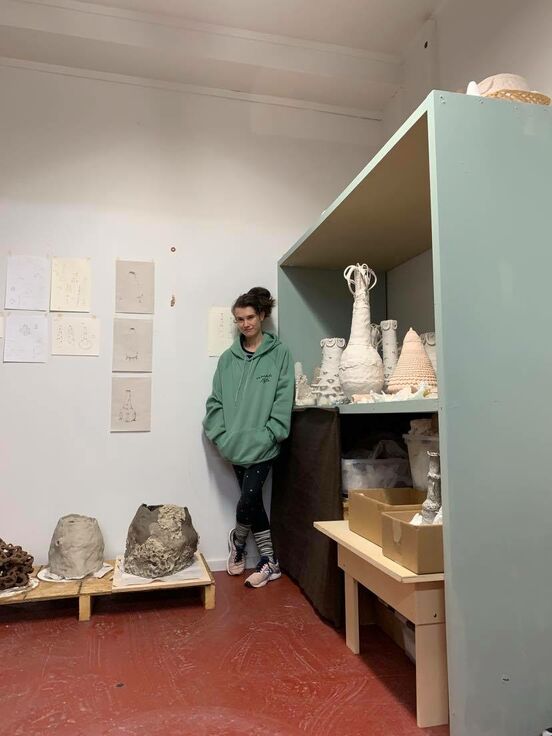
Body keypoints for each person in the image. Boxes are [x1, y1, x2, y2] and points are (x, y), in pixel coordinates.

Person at [203, 287, 294, 588]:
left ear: (262, 316)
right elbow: (215, 402)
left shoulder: (279, 354)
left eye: (250, 317)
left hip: (265, 444)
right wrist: (222, 437)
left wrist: (272, 433)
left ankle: (242, 543)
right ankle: (269, 562)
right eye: (239, 319)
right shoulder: (227, 360)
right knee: (252, 502)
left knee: (249, 497)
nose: (245, 324)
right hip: (234, 445)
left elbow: (283, 398)